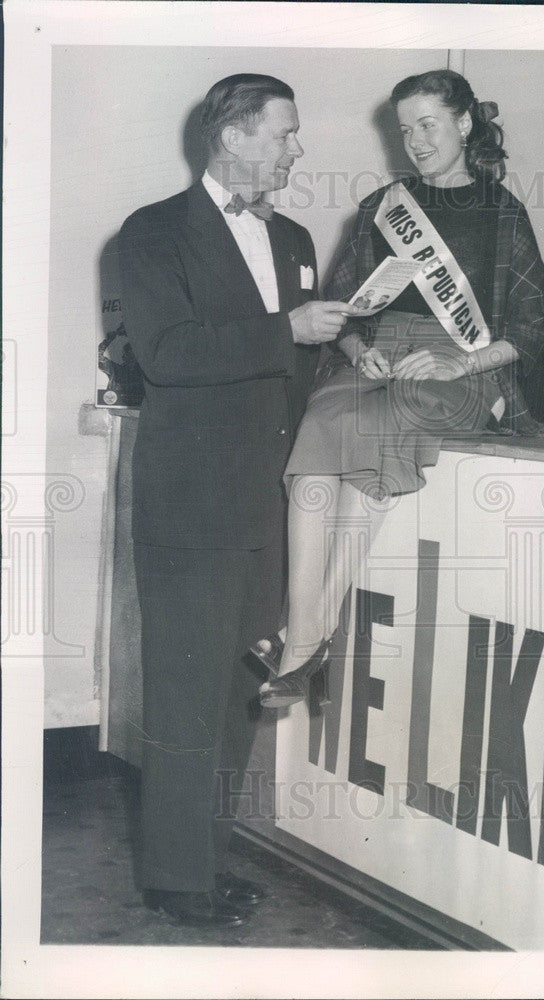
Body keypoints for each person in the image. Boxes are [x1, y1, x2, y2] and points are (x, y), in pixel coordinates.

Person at [118, 74, 355, 927]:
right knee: (184, 692)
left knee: (237, 691)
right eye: (285, 133)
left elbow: (291, 374)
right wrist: (285, 331)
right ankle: (174, 880)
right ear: (235, 136)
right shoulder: (152, 235)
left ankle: (207, 862)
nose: (297, 148)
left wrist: (355, 351)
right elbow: (169, 353)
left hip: (270, 504)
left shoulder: (291, 236)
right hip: (191, 507)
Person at [257, 69, 544, 708]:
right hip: (377, 362)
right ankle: (310, 632)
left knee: (373, 431)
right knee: (318, 426)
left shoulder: (504, 213)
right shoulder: (383, 206)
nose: (415, 141)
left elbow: (531, 329)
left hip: (459, 370)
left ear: (465, 123)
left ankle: (300, 643)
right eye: (405, 129)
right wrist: (360, 351)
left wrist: (460, 364)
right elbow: (338, 309)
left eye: (428, 125)